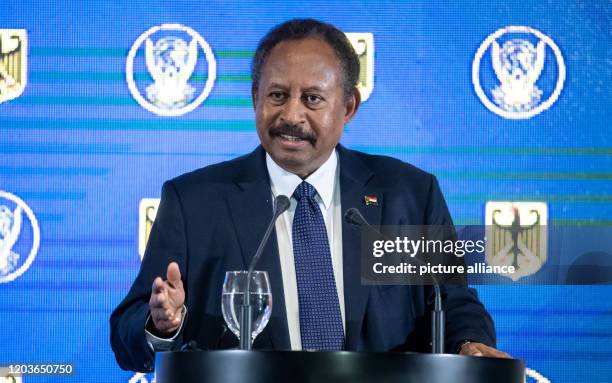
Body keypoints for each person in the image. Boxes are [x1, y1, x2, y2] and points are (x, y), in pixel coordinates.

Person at [110, 18, 510, 373]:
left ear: (348, 106)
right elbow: (129, 331)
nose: (291, 116)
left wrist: (467, 344)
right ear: (255, 99)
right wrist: (163, 324)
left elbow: (453, 303)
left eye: (312, 98)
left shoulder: (407, 194)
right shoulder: (195, 201)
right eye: (277, 95)